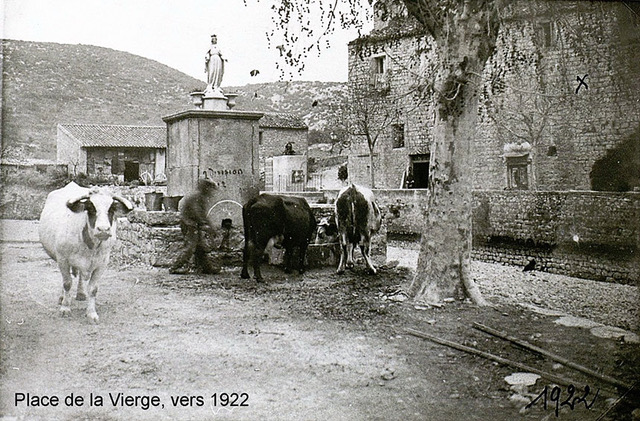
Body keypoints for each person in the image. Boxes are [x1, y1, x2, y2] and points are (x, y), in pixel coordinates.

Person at [169, 178, 221, 274]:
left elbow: (201, 213)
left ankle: (205, 267)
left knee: (199, 247)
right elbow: (198, 212)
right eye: (210, 188)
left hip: (192, 223)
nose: (211, 192)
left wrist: (207, 224)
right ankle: (175, 267)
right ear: (205, 188)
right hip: (189, 224)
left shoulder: (198, 196)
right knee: (190, 247)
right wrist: (206, 225)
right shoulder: (196, 196)